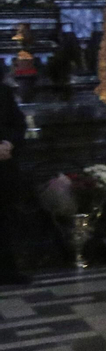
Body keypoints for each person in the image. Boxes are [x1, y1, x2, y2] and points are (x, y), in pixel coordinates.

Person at [0, 65, 29, 285]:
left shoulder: (3, 92)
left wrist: (8, 142)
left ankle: (8, 268)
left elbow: (17, 123)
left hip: (4, 164)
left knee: (7, 217)